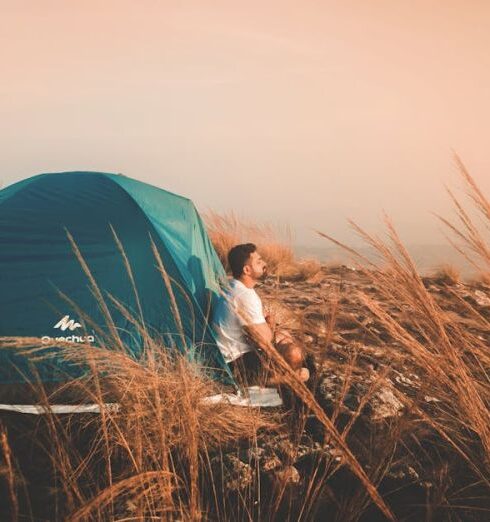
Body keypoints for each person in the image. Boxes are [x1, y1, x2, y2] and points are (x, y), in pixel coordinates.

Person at [212, 243, 310, 386]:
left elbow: (258, 334)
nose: (264, 264)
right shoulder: (245, 295)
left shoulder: (235, 287)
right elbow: (263, 340)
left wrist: (272, 330)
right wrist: (270, 328)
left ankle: (284, 378)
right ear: (247, 270)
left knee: (284, 336)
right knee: (294, 353)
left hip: (231, 356)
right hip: (236, 364)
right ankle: (288, 381)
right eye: (258, 262)